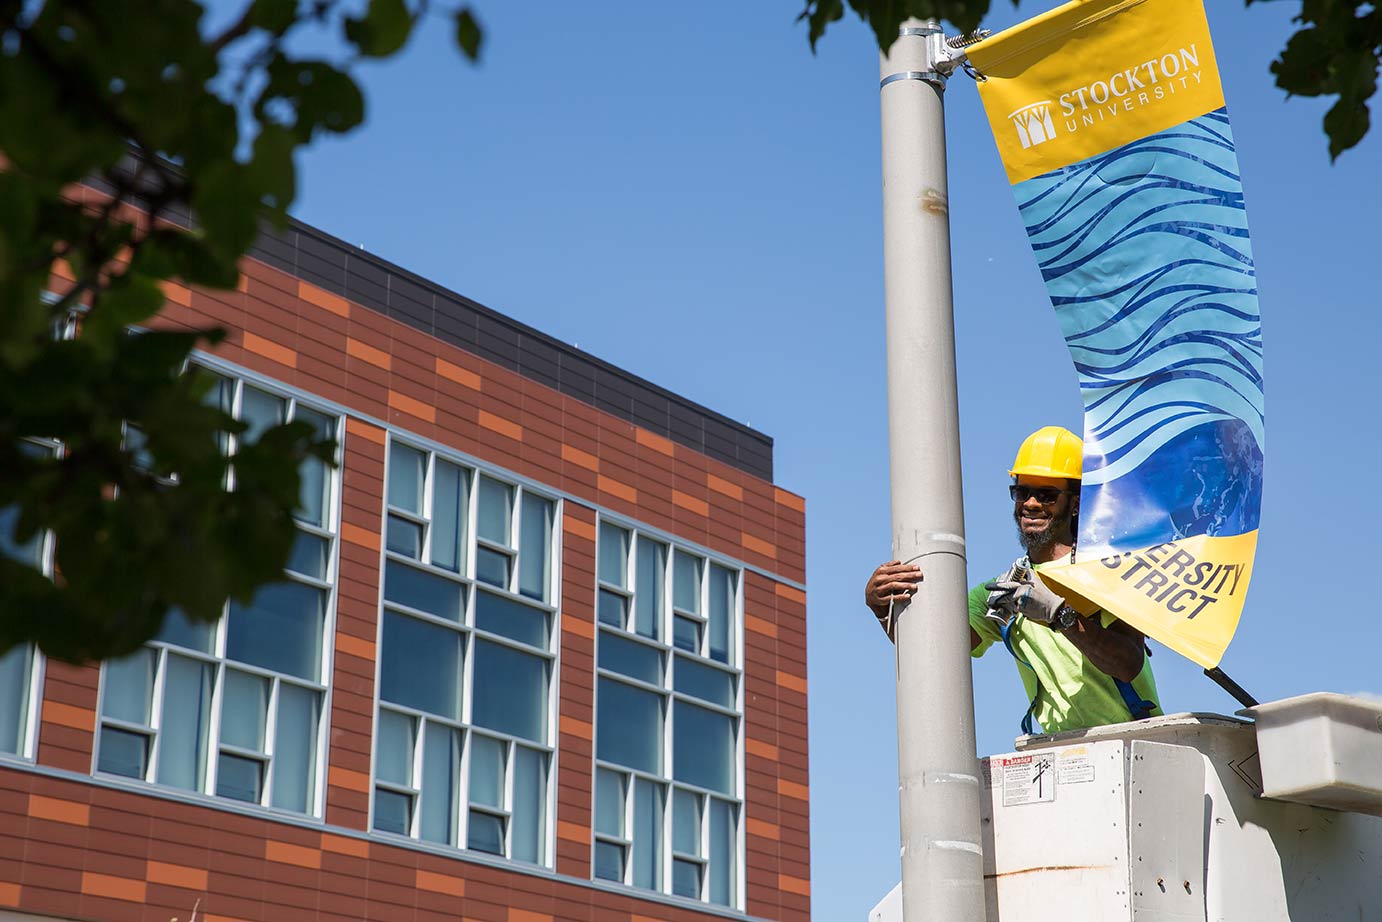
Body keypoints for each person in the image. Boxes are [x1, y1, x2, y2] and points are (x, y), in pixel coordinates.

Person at [864, 426, 1161, 735]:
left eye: (1047, 495)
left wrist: (1060, 615)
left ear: (1075, 503)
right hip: (1063, 750)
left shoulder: (1106, 572)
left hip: (1134, 741)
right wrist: (881, 608)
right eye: (1022, 492)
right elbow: (934, 652)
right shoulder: (1005, 591)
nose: (1031, 504)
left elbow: (1127, 664)